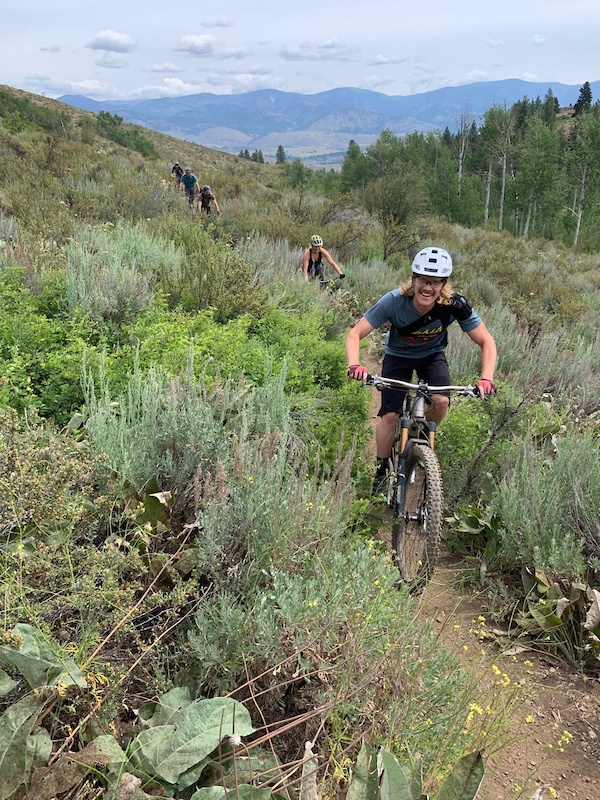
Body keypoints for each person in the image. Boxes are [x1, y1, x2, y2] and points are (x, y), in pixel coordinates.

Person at [345, 246, 497, 493]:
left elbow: (486, 342)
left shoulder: (455, 305)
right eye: (423, 281)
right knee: (390, 415)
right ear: (413, 280)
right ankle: (382, 469)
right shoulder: (394, 302)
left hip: (432, 357)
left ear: (444, 284)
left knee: (441, 401)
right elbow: (355, 333)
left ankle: (421, 441)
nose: (428, 288)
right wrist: (355, 364)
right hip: (398, 357)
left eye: (435, 282)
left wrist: (486, 378)